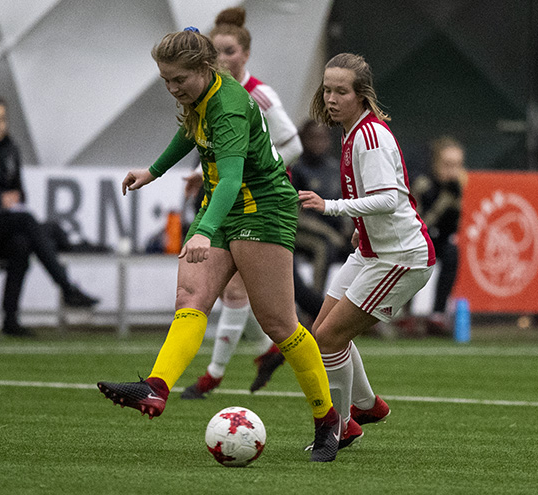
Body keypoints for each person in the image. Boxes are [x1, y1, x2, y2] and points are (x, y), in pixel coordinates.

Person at [97, 28, 343, 463]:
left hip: (261, 210)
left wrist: (203, 230)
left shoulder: (228, 108)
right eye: (166, 80)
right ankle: (156, 387)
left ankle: (329, 421)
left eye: (179, 80)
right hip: (224, 205)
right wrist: (153, 172)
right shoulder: (201, 97)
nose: (173, 89)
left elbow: (231, 179)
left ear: (204, 68)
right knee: (191, 297)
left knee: (279, 324)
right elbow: (191, 134)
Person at [298, 53, 436, 449]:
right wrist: (362, 230)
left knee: (328, 339)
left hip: (400, 258)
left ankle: (337, 429)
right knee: (322, 335)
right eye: (327, 90)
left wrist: (333, 207)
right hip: (373, 251)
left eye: (341, 91)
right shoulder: (352, 131)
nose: (332, 98)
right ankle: (365, 406)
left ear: (361, 95)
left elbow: (389, 198)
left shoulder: (369, 137)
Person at [179, 8, 309, 401]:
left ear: (246, 54)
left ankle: (212, 376)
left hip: (261, 202)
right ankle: (266, 352)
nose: (223, 59)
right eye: (216, 51)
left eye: (230, 51)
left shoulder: (259, 94)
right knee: (238, 295)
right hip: (231, 197)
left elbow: (293, 144)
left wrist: (258, 171)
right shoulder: (212, 96)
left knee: (237, 294)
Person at [0, 96, 99, 337]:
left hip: (4, 226)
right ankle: (67, 287)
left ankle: (10, 320)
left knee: (23, 242)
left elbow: (20, 194)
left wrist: (12, 200)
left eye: (1, 120)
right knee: (27, 221)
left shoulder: (10, 149)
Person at [410, 136, 466, 334]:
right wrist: (444, 201)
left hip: (438, 239)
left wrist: (455, 203)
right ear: (435, 163)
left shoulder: (455, 187)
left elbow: (453, 228)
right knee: (415, 254)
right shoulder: (422, 184)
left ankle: (438, 314)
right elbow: (419, 223)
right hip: (414, 238)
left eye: (457, 165)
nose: (453, 171)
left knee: (452, 251)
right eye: (447, 165)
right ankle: (404, 313)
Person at [290, 121, 352, 291]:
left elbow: (346, 203)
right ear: (302, 139)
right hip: (299, 232)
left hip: (336, 233)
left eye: (322, 138)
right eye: (313, 138)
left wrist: (348, 228)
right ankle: (315, 306)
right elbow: (295, 214)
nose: (318, 143)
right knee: (324, 247)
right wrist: (330, 233)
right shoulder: (296, 169)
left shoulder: (334, 169)